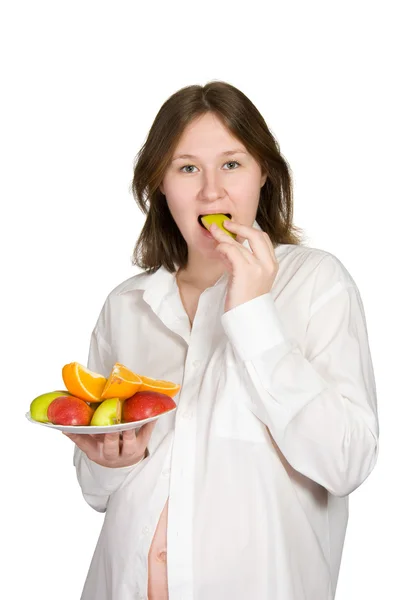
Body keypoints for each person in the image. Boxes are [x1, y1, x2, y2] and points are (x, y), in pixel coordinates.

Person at [63, 81, 379, 600]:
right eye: (187, 168)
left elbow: (346, 462)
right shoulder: (127, 305)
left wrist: (254, 312)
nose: (211, 192)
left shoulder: (315, 282)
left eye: (232, 164)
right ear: (160, 185)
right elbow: (95, 492)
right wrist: (107, 461)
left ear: (264, 175)